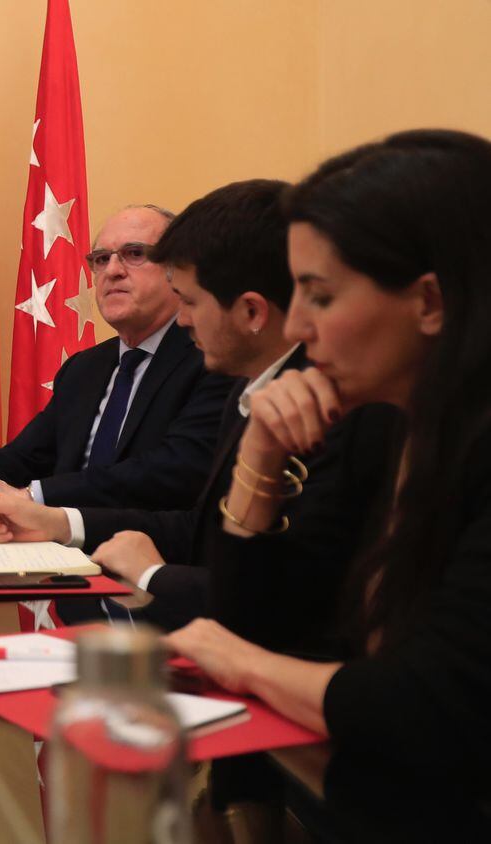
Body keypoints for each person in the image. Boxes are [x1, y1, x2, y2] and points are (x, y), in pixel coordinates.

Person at [165, 129, 491, 782]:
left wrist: (241, 663)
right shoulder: (401, 427)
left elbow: (425, 705)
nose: (297, 328)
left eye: (320, 294)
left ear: (429, 302)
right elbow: (261, 621)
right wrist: (260, 445)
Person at [0, 180, 400, 653]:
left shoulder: (351, 407)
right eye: (101, 259)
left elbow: (300, 604)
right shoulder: (250, 384)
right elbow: (205, 527)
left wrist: (156, 576)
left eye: (189, 301)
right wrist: (60, 523)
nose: (183, 321)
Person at [0, 206, 235, 511]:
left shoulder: (213, 358)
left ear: (178, 269)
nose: (112, 271)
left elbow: (171, 471)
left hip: (147, 550)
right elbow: (24, 458)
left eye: (134, 254)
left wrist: (33, 497)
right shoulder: (84, 368)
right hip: (59, 549)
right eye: (101, 259)